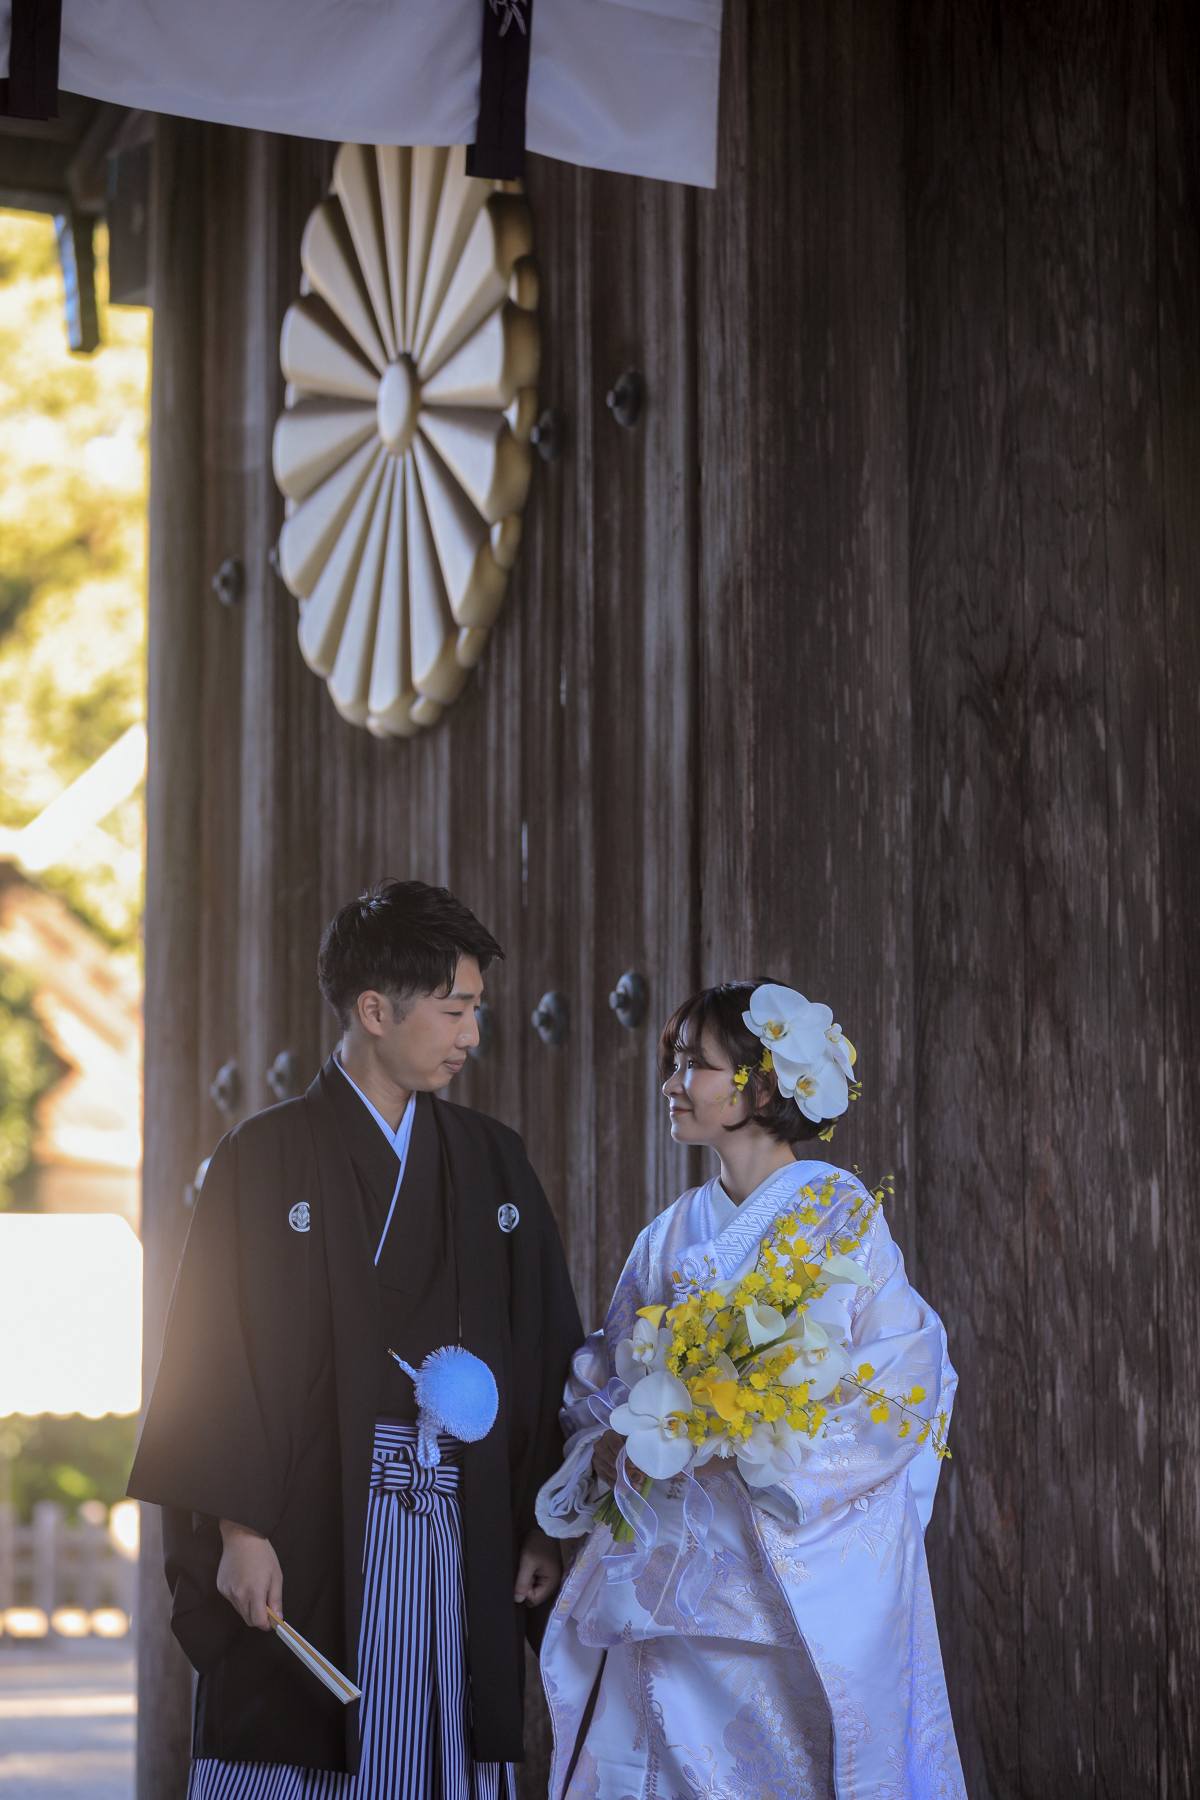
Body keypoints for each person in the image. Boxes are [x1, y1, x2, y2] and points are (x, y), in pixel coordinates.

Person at [129, 880, 583, 1798]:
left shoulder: (492, 1160)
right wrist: (239, 1528)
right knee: (299, 1740)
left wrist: (542, 1523)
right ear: (375, 1011)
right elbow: (215, 1357)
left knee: (435, 1746)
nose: (471, 1034)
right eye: (454, 1010)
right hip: (305, 1523)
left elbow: (542, 1346)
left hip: (459, 1522)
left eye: (477, 1010)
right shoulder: (263, 1156)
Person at [536, 979, 965, 1800]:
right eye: (673, 1063)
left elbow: (904, 1379)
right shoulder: (666, 1234)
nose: (672, 1084)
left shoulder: (838, 1215)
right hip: (671, 1583)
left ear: (761, 1087)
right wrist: (615, 1443)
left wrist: (756, 1442)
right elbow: (600, 1382)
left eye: (692, 1065)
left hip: (786, 1582)